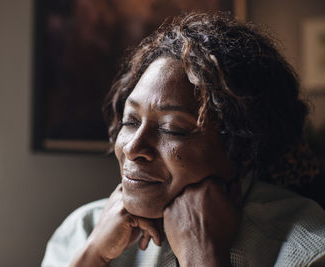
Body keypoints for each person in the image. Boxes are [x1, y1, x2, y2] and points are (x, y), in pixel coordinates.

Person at [41, 12, 325, 266]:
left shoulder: (308, 252)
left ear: (243, 147)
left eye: (172, 129)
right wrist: (93, 256)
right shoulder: (83, 229)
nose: (133, 147)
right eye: (131, 121)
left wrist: (202, 256)